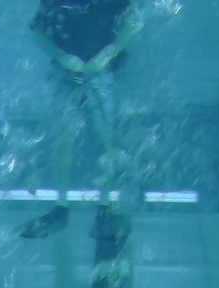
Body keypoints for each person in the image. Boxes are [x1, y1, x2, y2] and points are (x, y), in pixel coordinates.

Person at [19, 0, 143, 239]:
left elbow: (131, 24)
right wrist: (63, 57)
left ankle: (103, 207)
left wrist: (107, 55)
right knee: (65, 139)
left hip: (102, 72)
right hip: (68, 71)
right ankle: (63, 206)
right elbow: (37, 31)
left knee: (104, 141)